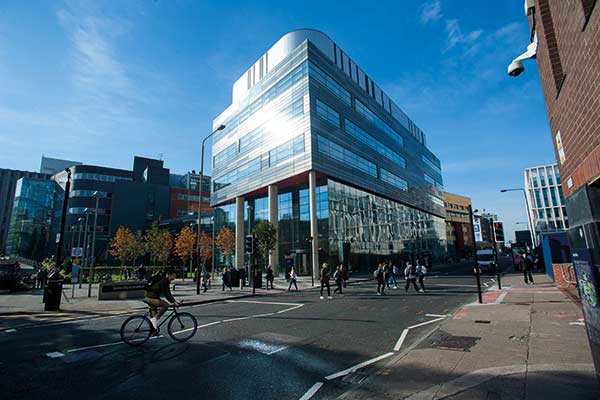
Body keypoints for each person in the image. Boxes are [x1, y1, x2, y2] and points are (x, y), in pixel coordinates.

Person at [144, 270, 179, 335]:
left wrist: (174, 300)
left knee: (154, 314)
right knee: (166, 305)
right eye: (174, 276)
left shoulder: (165, 281)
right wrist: (173, 301)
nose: (174, 278)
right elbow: (166, 293)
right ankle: (154, 320)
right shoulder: (164, 281)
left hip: (150, 296)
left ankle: (154, 330)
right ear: (169, 275)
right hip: (151, 297)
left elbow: (168, 293)